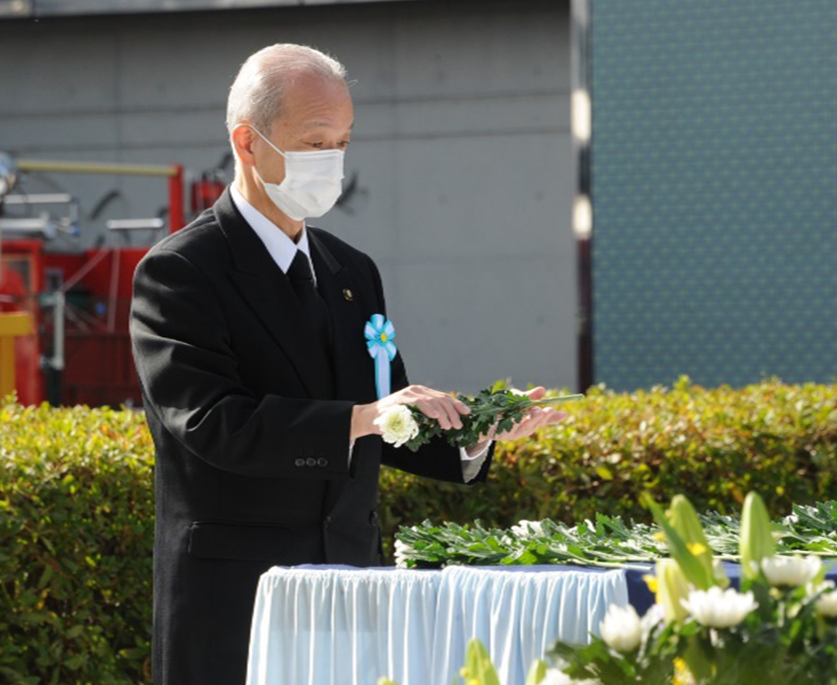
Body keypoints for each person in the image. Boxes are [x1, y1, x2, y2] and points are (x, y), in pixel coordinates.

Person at [129, 43, 568, 685]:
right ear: (247, 143)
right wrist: (367, 416)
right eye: (313, 142)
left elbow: (384, 417)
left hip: (353, 589)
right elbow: (212, 424)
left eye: (342, 142)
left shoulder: (349, 270)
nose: (332, 161)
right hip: (237, 600)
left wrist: (474, 431)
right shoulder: (180, 273)